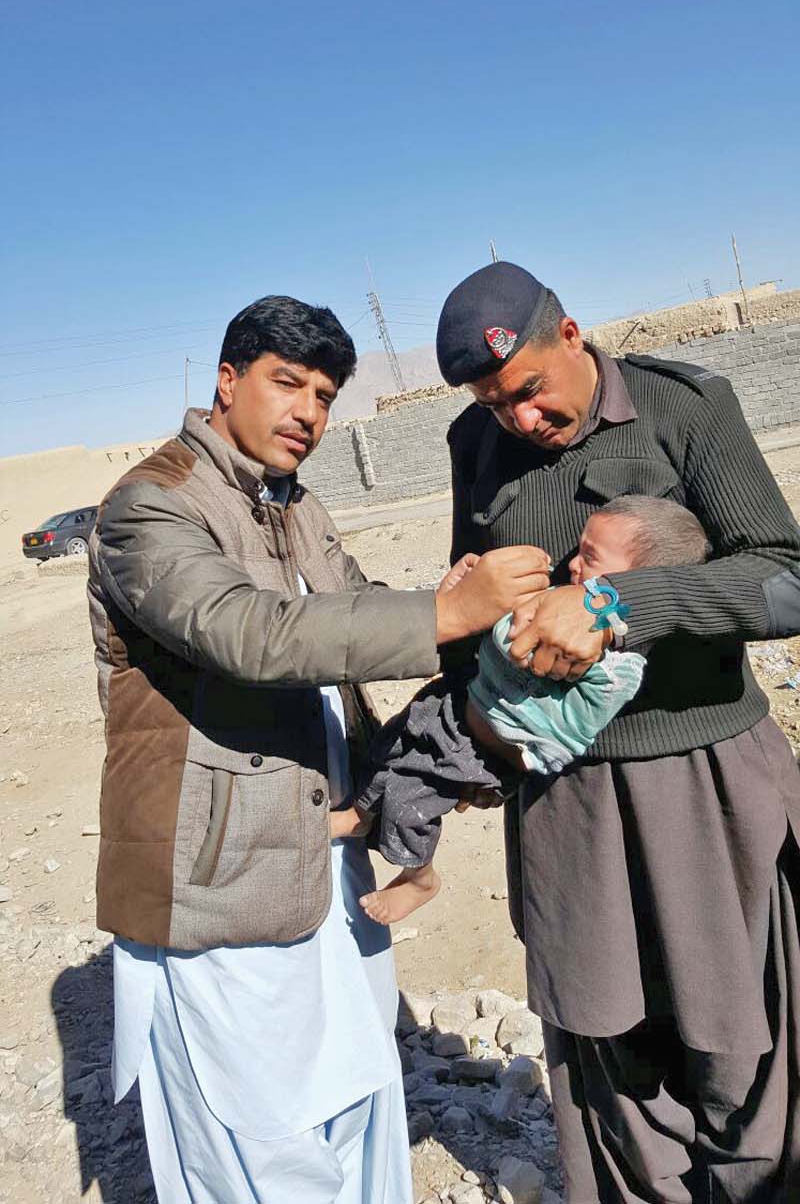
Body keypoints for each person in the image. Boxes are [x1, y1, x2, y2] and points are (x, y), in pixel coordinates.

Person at [86, 294, 550, 1204]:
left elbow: (349, 605)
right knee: (257, 1124)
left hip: (321, 838)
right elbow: (251, 634)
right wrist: (442, 613)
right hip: (215, 873)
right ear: (227, 381)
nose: (309, 412)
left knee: (350, 1085)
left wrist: (449, 603)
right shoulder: (150, 507)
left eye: (326, 395)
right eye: (286, 383)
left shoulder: (295, 505)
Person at [435, 259, 800, 1203]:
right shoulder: (472, 443)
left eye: (526, 391)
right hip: (566, 795)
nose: (518, 418)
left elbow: (785, 574)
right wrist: (470, 736)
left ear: (572, 335)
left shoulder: (686, 406)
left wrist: (612, 603)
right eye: (492, 401)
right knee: (608, 1045)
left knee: (737, 1040)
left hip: (702, 776)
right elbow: (464, 604)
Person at [339, 496, 708, 926]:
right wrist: (468, 591)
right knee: (394, 741)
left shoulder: (616, 663)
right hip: (456, 708)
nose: (573, 563)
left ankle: (418, 875)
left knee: (411, 797)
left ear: (636, 582)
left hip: (483, 752)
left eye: (589, 557)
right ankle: (362, 814)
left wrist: (591, 611)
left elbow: (522, 650)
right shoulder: (561, 601)